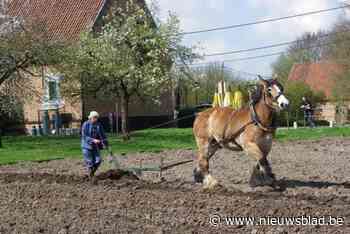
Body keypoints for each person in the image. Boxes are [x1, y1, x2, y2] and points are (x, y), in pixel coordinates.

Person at [81, 111, 108, 178]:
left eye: (97, 117)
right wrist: (93, 140)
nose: (96, 119)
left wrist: (105, 144)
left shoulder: (98, 125)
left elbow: (103, 135)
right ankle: (91, 176)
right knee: (90, 162)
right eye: (94, 117)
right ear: (90, 118)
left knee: (98, 160)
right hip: (87, 146)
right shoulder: (86, 124)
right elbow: (84, 136)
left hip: (95, 146)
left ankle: (92, 173)